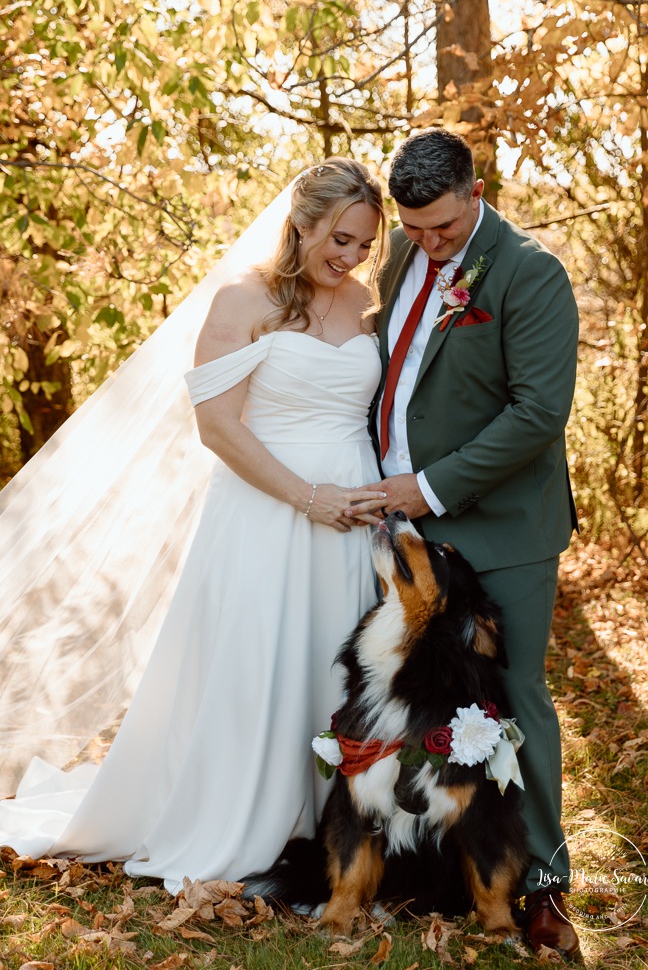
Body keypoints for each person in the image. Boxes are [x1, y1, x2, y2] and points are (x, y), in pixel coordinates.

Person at [0, 156, 388, 894]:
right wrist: (308, 497)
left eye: (363, 244)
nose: (349, 257)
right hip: (266, 511)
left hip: (354, 516)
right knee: (256, 665)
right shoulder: (243, 299)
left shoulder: (365, 300)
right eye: (339, 238)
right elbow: (216, 427)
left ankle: (328, 830)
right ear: (302, 224)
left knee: (333, 665)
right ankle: (240, 818)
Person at [346, 129, 581, 959]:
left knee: (514, 697)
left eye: (441, 228)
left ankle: (544, 885)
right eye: (413, 229)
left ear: (475, 193)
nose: (427, 244)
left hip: (503, 526)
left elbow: (537, 412)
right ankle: (429, 865)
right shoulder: (400, 260)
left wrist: (430, 485)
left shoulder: (529, 272)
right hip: (403, 531)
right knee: (406, 695)